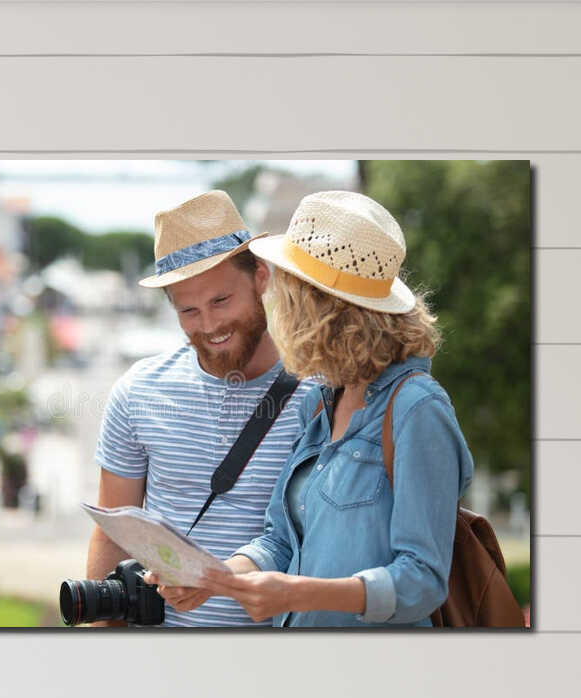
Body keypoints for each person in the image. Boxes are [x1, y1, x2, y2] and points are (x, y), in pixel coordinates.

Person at [159, 190, 472, 628]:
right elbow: (281, 541)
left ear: (317, 308)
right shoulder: (320, 402)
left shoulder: (418, 410)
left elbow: (422, 579)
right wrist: (215, 578)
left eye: (284, 287)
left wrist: (296, 592)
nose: (274, 300)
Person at [86, 191, 310, 627]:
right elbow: (112, 537)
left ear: (260, 277)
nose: (209, 326)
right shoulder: (138, 393)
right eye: (189, 310)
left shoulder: (322, 392)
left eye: (221, 301)